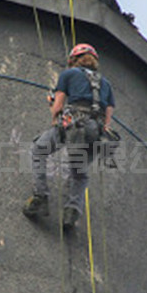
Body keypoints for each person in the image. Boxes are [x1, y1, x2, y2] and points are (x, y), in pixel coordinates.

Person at [23, 43, 116, 229]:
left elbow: (57, 108)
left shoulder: (69, 75)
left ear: (73, 60)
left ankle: (41, 196)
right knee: (79, 173)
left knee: (39, 150)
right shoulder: (106, 85)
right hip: (95, 132)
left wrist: (54, 111)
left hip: (74, 124)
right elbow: (108, 120)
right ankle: (72, 210)